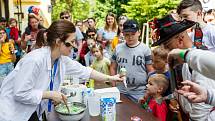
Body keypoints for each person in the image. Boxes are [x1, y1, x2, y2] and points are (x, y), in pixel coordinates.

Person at [0, 20, 122, 121]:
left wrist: (111, 78)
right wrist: (50, 94)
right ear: (58, 42)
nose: (74, 46)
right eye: (71, 42)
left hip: (30, 110)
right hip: (13, 113)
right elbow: (20, 93)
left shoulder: (61, 59)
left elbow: (86, 71)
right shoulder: (34, 60)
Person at [150, 14, 215, 121]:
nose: (165, 51)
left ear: (180, 40)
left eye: (167, 46)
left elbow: (202, 107)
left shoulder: (197, 64)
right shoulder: (181, 62)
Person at [110, 19, 154, 103]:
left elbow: (150, 70)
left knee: (139, 114)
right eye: (127, 34)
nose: (130, 37)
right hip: (121, 90)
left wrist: (149, 91)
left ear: (139, 33)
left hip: (140, 92)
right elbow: (113, 67)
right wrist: (113, 85)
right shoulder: (118, 48)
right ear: (123, 34)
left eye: (133, 34)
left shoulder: (145, 49)